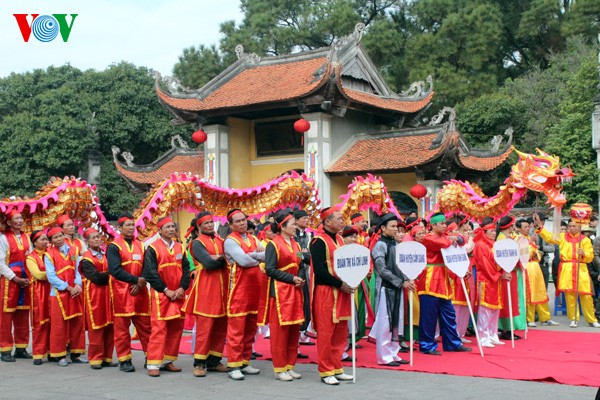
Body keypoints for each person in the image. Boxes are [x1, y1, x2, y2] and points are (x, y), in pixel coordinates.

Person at [259, 210, 307, 381]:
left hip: (295, 289)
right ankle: (279, 368)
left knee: (294, 329)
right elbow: (270, 269)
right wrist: (291, 278)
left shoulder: (296, 244)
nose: (295, 226)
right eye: (293, 224)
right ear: (282, 226)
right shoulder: (273, 245)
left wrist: (300, 277)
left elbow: (300, 262)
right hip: (279, 292)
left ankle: (290, 365)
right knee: (280, 332)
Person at [310, 205, 355, 385]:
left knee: (340, 331)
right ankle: (326, 370)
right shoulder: (317, 242)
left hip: (341, 290)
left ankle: (337, 367)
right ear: (327, 222)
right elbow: (319, 270)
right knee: (326, 332)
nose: (342, 221)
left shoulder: (339, 239)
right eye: (338, 218)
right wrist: (339, 284)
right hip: (326, 291)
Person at [417, 212, 471, 355]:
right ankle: (427, 345)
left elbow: (463, 240)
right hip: (430, 279)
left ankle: (452, 343)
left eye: (445, 223)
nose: (444, 226)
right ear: (433, 225)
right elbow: (445, 243)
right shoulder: (428, 237)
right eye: (441, 224)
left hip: (443, 278)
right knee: (429, 315)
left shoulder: (443, 236)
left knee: (449, 313)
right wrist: (453, 238)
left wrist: (455, 237)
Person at [142, 217, 191, 377]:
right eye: (167, 227)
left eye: (172, 226)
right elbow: (150, 273)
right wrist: (165, 289)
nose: (171, 229)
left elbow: (186, 269)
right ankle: (153, 363)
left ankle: (168, 360)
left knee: (176, 328)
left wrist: (183, 287)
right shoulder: (152, 248)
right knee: (159, 328)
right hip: (161, 295)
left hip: (177, 293)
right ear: (160, 230)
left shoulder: (180, 247)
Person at [182, 211, 229, 377]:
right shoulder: (196, 243)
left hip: (223, 290)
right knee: (205, 328)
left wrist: (220, 258)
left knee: (220, 327)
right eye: (206, 223)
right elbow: (208, 263)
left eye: (211, 222)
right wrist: (221, 260)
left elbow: (230, 259)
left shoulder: (221, 241)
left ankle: (214, 361)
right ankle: (199, 363)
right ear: (199, 227)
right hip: (206, 289)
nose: (209, 225)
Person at [533, 214, 600, 328]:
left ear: (579, 227)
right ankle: (574, 319)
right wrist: (540, 226)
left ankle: (591, 319)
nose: (572, 228)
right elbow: (550, 237)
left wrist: (583, 254)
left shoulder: (585, 240)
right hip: (567, 268)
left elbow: (590, 256)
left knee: (586, 295)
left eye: (574, 226)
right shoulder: (563, 237)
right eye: (570, 226)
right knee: (570, 296)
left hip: (581, 268)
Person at [223, 208, 265, 380]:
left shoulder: (254, 238)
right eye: (238, 221)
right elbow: (244, 261)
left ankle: (245, 362)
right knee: (236, 330)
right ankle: (234, 365)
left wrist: (253, 255)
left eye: (243, 220)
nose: (242, 223)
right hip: (238, 292)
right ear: (231, 225)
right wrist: (257, 257)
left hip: (255, 291)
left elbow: (267, 254)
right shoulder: (230, 241)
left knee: (250, 329)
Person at [107, 214, 151, 372]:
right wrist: (135, 280)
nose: (132, 228)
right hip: (121, 292)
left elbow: (148, 266)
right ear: (120, 228)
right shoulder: (113, 246)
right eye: (128, 225)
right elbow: (115, 270)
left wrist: (141, 282)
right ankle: (124, 360)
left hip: (139, 291)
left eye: (133, 225)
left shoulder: (142, 245)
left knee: (146, 326)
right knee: (122, 329)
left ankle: (151, 357)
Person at [370, 213, 414, 366]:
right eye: (393, 227)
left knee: (397, 322)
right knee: (385, 323)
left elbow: (399, 266)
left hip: (397, 288)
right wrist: (401, 282)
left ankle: (393, 352)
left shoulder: (394, 244)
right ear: (383, 228)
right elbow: (382, 270)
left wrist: (407, 278)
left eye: (397, 226)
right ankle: (383, 356)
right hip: (385, 288)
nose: (396, 229)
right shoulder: (380, 245)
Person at [45, 227, 86, 366]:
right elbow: (51, 277)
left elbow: (78, 270)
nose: (59, 239)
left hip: (75, 291)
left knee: (77, 322)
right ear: (51, 241)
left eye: (60, 236)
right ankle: (59, 355)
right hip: (58, 293)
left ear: (64, 235)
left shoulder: (74, 249)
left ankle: (77, 353)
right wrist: (68, 287)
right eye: (55, 238)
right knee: (58, 325)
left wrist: (77, 285)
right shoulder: (49, 254)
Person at [80, 228, 117, 369]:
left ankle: (107, 357)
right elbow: (95, 278)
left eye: (98, 237)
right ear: (87, 241)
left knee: (110, 326)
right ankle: (95, 358)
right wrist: (112, 274)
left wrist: (108, 274)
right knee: (97, 327)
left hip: (108, 294)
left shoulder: (105, 254)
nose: (97, 239)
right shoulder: (86, 259)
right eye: (93, 238)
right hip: (95, 296)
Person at [514, 220, 559, 327]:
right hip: (527, 267)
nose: (527, 228)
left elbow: (538, 254)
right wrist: (532, 246)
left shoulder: (530, 239)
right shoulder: (518, 239)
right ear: (518, 228)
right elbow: (524, 255)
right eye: (524, 227)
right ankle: (530, 318)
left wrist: (534, 250)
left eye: (528, 226)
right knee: (531, 293)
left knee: (541, 291)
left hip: (536, 267)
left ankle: (545, 318)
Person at [0, 210, 32, 362]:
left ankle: (21, 348)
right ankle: (5, 350)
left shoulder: (26, 237)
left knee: (23, 315)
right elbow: (0, 263)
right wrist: (15, 278)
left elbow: (31, 258)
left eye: (21, 218)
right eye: (16, 218)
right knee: (5, 317)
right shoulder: (3, 238)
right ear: (8, 222)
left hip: (25, 280)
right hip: (8, 281)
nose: (20, 220)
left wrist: (27, 278)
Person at [472, 217, 509, 348]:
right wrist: (500, 275)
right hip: (487, 280)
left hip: (496, 279)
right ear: (485, 232)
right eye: (491, 231)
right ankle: (483, 337)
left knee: (495, 309)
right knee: (486, 310)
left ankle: (493, 335)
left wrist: (505, 270)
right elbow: (485, 265)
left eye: (494, 231)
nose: (494, 233)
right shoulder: (481, 245)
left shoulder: (494, 245)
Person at [496, 216, 525, 339]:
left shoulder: (509, 238)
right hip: (507, 272)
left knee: (513, 300)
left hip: (512, 271)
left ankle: (509, 327)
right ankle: (505, 328)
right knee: (507, 301)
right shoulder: (502, 239)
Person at [25, 231, 51, 365]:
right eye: (43, 239)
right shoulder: (30, 258)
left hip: (52, 291)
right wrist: (54, 274)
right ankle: (38, 353)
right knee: (39, 323)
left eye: (47, 239)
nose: (46, 242)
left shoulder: (51, 253)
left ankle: (53, 351)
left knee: (53, 323)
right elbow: (38, 275)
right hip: (39, 293)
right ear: (35, 242)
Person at [294, 209, 314, 347]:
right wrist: (304, 255)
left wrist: (305, 255)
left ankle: (303, 335)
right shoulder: (292, 237)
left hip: (306, 272)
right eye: (304, 218)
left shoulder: (309, 235)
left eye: (307, 218)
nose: (307, 220)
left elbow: (309, 256)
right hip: (295, 273)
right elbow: (297, 254)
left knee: (306, 303)